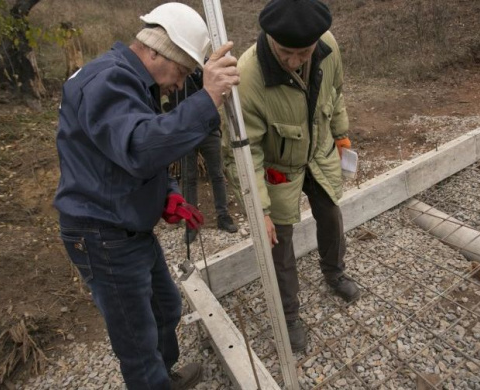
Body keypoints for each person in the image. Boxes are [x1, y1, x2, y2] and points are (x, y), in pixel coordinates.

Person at [53, 3, 239, 389]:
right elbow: (140, 148)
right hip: (103, 234)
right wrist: (206, 99)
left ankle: (165, 377)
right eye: (183, 71)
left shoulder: (131, 81)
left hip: (126, 222)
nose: (179, 83)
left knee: (165, 307)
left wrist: (167, 195)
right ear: (156, 50)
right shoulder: (107, 81)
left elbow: (127, 152)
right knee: (137, 343)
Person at [223, 0, 359, 352]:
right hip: (277, 168)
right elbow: (245, 151)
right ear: (270, 38)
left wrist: (341, 133)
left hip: (319, 152)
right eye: (286, 53)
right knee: (278, 241)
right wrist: (260, 210)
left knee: (330, 213)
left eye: (304, 52)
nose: (295, 61)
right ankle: (288, 314)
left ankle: (334, 272)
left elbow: (336, 92)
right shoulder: (249, 76)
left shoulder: (327, 46)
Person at [165, 70, 239, 243]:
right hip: (185, 131)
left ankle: (223, 217)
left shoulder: (203, 65)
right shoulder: (176, 68)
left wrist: (198, 70)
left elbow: (212, 88)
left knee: (218, 175)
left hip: (209, 128)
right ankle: (191, 224)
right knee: (188, 178)